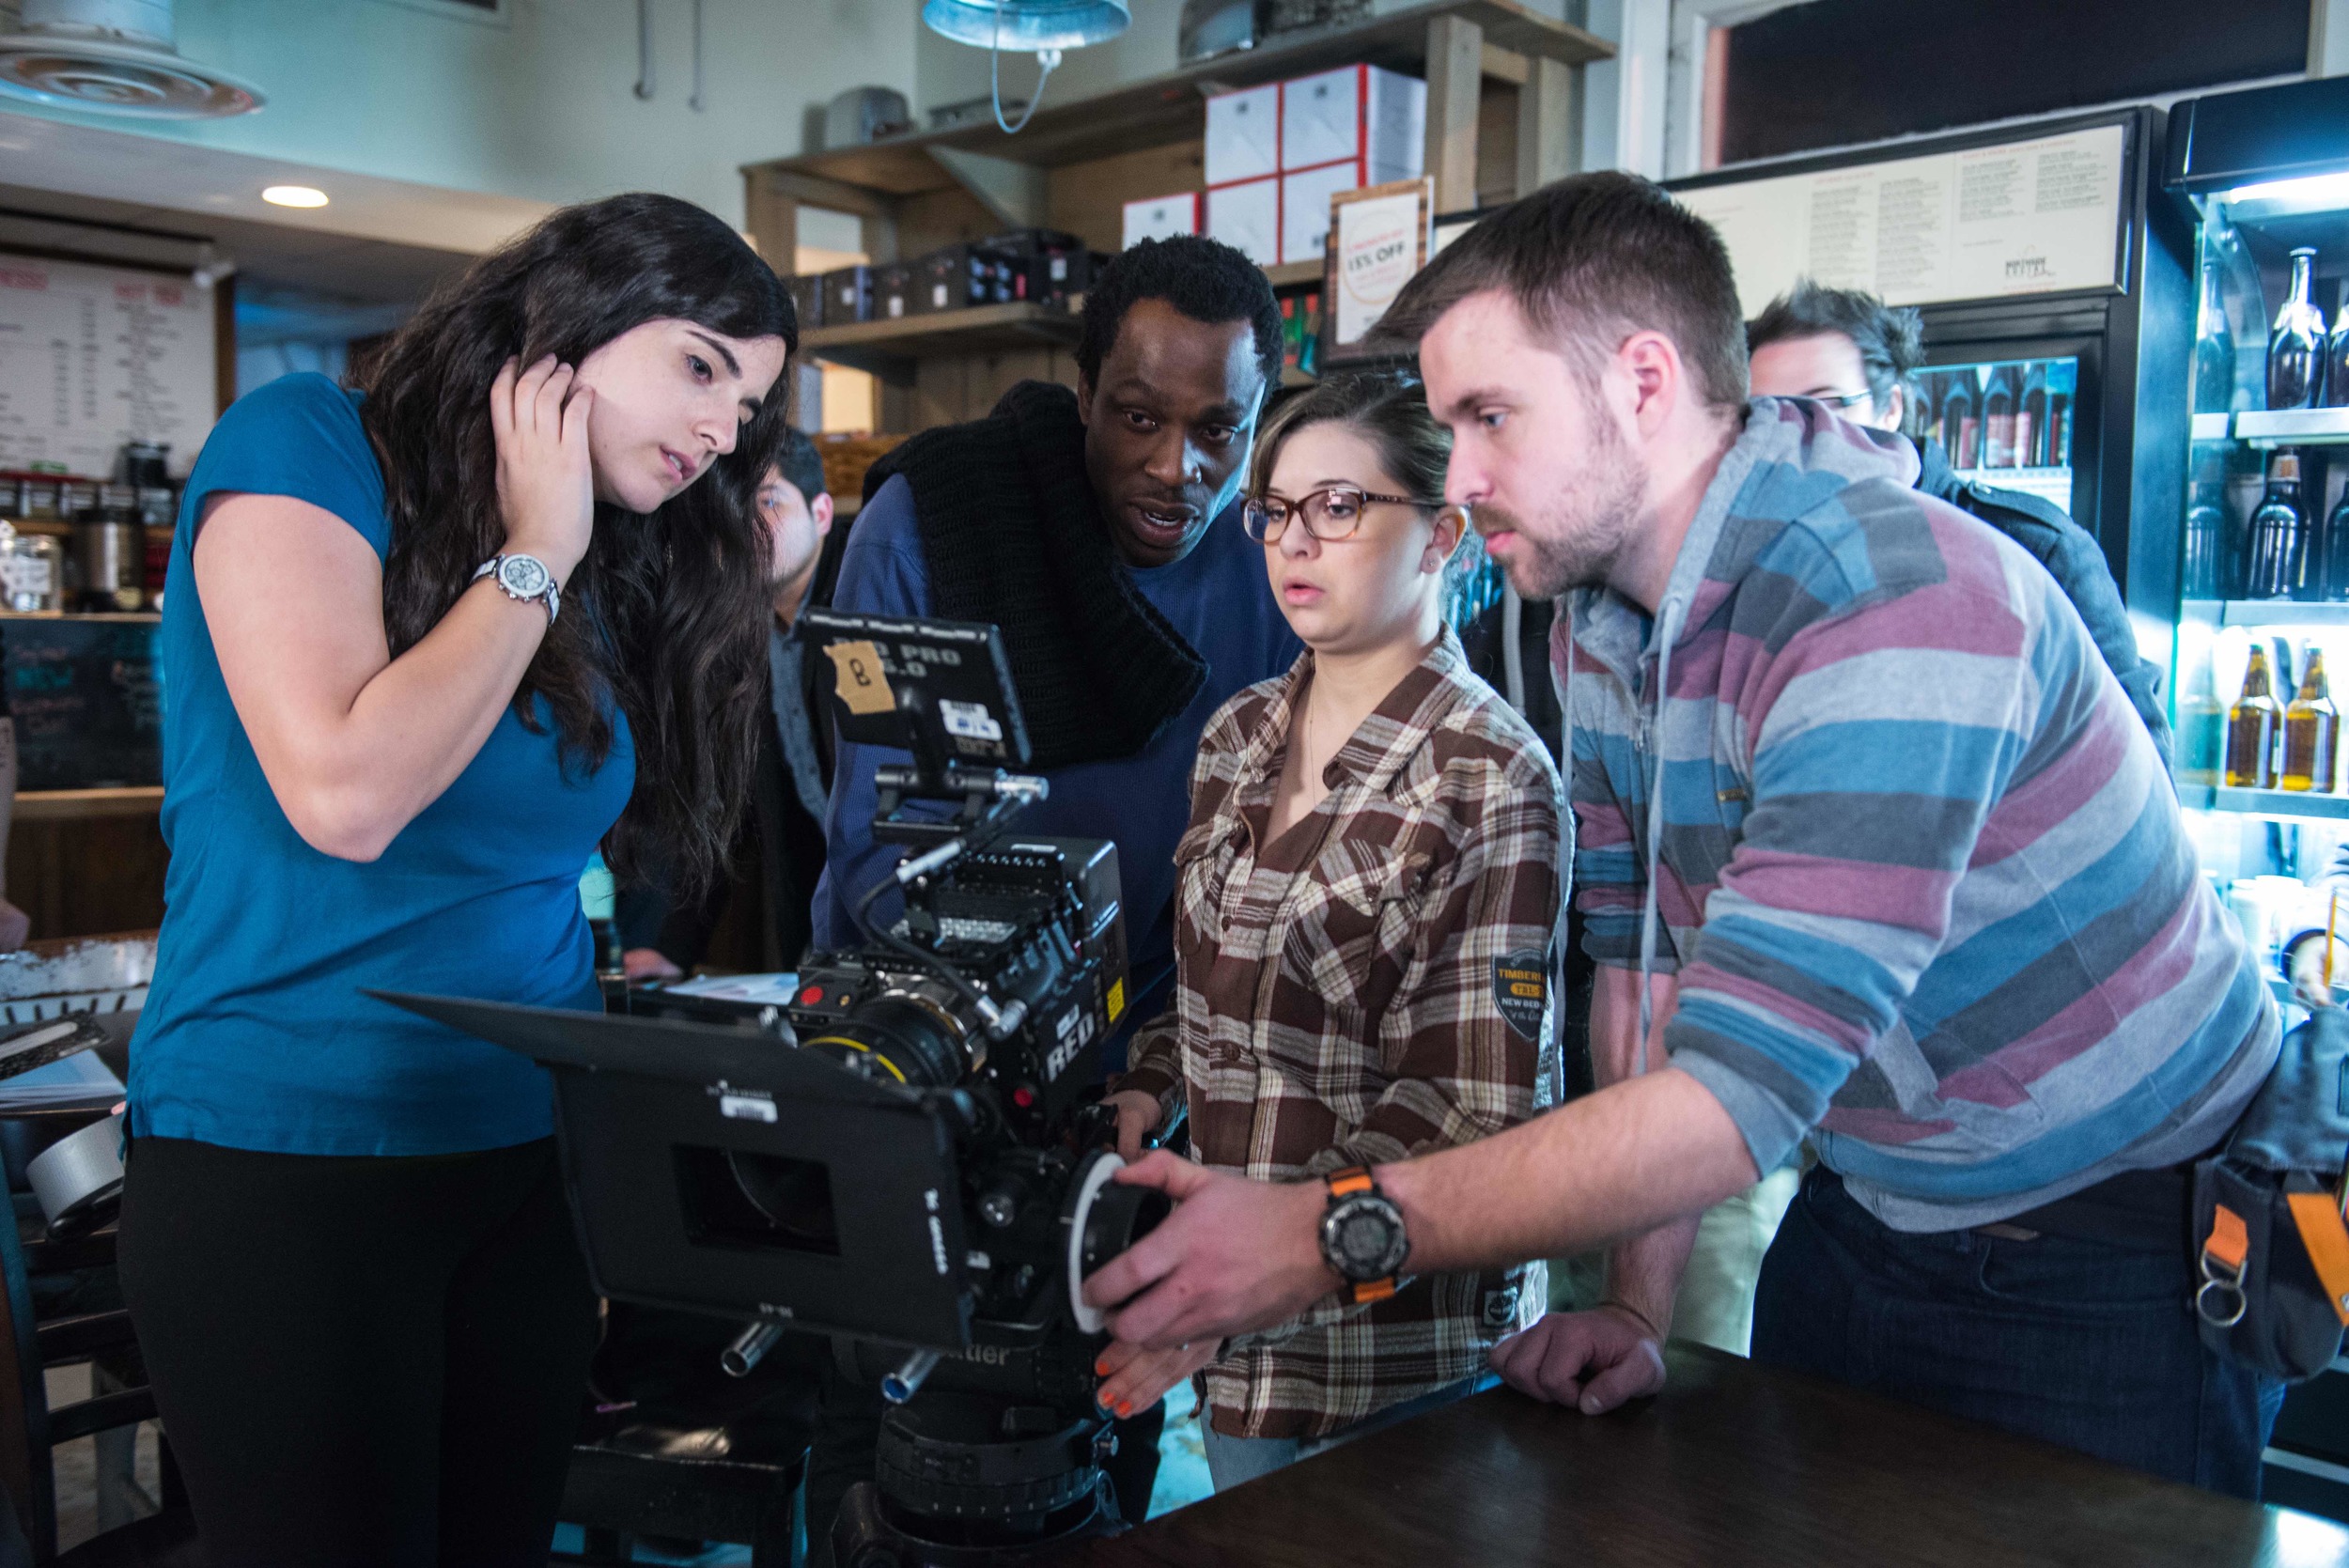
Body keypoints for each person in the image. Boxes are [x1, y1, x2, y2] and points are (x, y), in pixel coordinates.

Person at [1081, 172, 2286, 1498]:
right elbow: (1651, 978)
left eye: (1490, 418)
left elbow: (1732, 1100)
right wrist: (1642, 1310)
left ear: (1643, 383)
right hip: (1872, 1203)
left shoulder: (1888, 600)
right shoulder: (1601, 620)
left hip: (2110, 1242)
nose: (1461, 480)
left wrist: (1327, 1235)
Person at [117, 194, 795, 1561]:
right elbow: (347, 793)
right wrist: (535, 553)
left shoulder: (600, 549)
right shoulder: (310, 445)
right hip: (281, 1153)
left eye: (751, 401)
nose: (724, 428)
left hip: (515, 1159)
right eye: (701, 366)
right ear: (572, 323)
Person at [802, 234, 1302, 1555]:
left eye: (1217, 431)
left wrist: (1160, 1069)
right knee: (880, 1437)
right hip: (922, 1051)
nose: (1172, 467)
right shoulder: (937, 523)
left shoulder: (1272, 563)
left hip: (1138, 1080)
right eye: (1137, 418)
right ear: (1083, 392)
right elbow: (871, 838)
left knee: (1102, 1436)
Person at [1092, 372, 1560, 1491]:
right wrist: (1148, 1088)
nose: (1293, 539)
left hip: (1394, 1358)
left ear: (1443, 532)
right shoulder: (1237, 735)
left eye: (1339, 506)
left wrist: (1262, 1258)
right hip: (1237, 1344)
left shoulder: (1490, 776)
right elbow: (1206, 987)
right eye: (1275, 509)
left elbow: (1473, 1111)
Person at [1747, 279, 2171, 760]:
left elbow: (2140, 765)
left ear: (1891, 408)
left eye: (1824, 406)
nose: (1799, 434)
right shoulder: (1763, 567)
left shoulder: (2033, 547)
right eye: (1770, 415)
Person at [617, 427, 836, 977]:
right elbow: (730, 812)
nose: (747, 530)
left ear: (823, 513)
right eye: (734, 509)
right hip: (818, 931)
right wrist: (672, 948)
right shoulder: (741, 633)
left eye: (768, 501)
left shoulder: (866, 608)